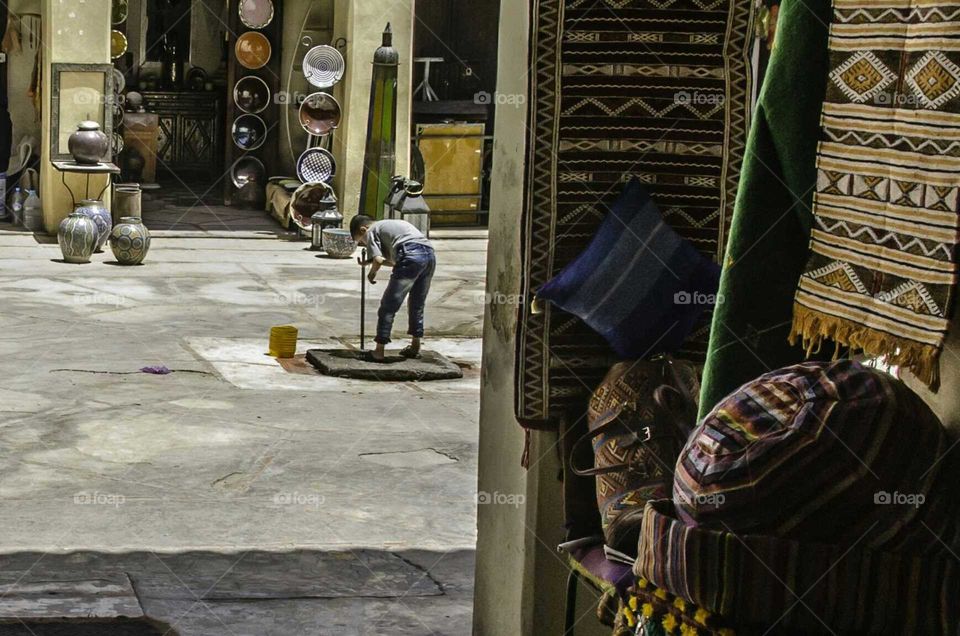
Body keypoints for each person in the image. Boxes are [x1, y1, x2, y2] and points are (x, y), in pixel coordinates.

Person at [350, 215, 436, 362]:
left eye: (362, 242)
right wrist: (369, 262)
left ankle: (379, 351)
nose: (366, 245)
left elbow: (380, 259)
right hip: (429, 256)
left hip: (409, 255)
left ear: (363, 229)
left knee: (388, 306)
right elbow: (396, 261)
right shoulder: (389, 225)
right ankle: (415, 346)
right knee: (417, 303)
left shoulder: (371, 231)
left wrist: (372, 272)